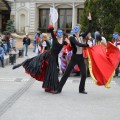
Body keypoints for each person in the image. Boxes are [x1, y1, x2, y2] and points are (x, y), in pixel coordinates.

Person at [12, 17, 69, 93]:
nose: (60, 34)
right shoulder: (55, 39)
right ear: (56, 34)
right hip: (49, 56)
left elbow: (70, 45)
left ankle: (48, 87)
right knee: (51, 71)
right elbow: (51, 29)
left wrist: (68, 40)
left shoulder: (63, 41)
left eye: (61, 33)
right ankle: (52, 88)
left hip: (54, 58)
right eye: (59, 33)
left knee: (50, 71)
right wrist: (51, 20)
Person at [54, 13, 92, 94]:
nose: (76, 29)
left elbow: (89, 29)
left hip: (81, 58)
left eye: (77, 28)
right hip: (74, 58)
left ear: (79, 29)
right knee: (66, 74)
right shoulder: (72, 37)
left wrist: (90, 20)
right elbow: (78, 44)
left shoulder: (81, 36)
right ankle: (58, 89)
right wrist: (86, 45)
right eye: (75, 28)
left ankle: (81, 89)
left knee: (84, 74)